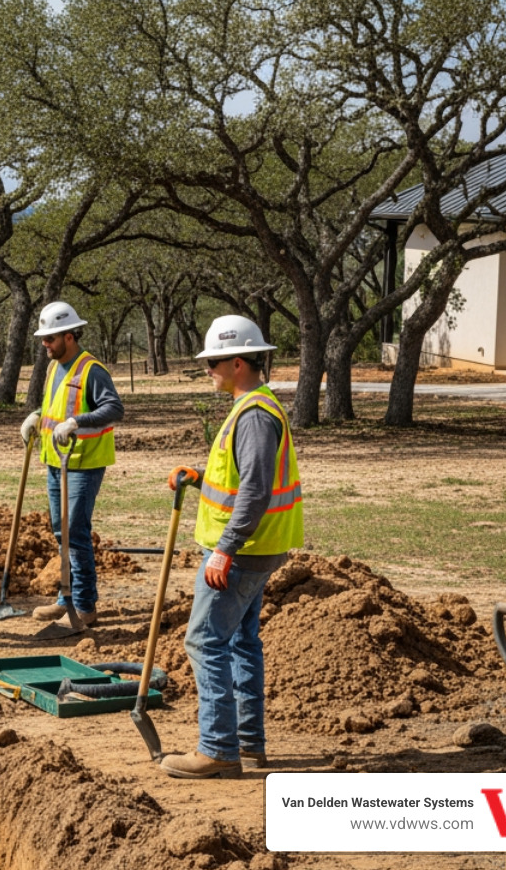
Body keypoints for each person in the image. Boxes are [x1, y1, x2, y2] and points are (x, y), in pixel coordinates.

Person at [161, 314, 301, 780]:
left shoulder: (255, 415)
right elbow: (242, 479)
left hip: (243, 551)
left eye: (214, 363)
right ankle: (247, 742)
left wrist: (224, 549)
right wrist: (200, 478)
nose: (208, 370)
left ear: (238, 362)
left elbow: (256, 491)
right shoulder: (253, 407)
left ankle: (218, 749)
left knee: (205, 640)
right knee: (241, 641)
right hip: (255, 547)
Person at [18, 301, 123, 629]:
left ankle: (85, 605)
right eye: (43, 339)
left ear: (69, 336)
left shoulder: (92, 370)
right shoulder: (54, 367)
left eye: (50, 339)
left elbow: (114, 408)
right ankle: (67, 598)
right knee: (60, 531)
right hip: (56, 461)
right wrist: (38, 416)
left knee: (74, 531)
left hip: (84, 463)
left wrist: (77, 422)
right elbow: (56, 406)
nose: (45, 345)